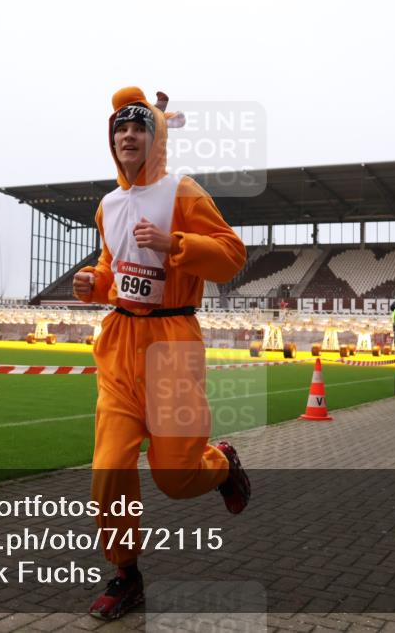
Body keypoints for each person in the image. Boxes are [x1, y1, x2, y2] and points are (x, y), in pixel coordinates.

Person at [73, 87, 249, 621]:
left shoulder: (183, 192)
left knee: (175, 476)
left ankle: (221, 466)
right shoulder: (108, 205)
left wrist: (176, 244)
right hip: (121, 344)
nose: (127, 135)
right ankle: (126, 574)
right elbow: (113, 267)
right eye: (118, 129)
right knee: (109, 469)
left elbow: (232, 257)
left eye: (138, 127)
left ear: (156, 137)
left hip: (172, 343)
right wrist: (94, 282)